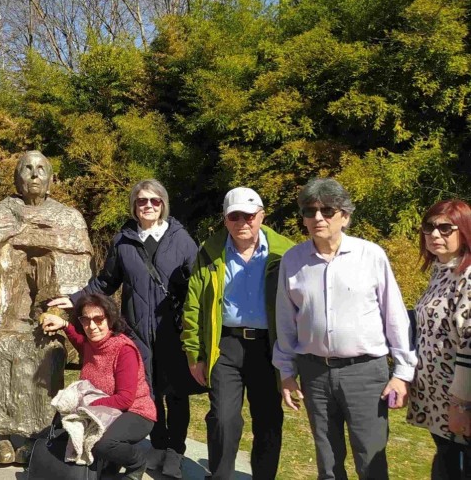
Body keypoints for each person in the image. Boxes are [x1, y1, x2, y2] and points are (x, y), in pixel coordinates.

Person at [49, 179, 197, 478]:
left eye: (155, 201)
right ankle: (155, 447)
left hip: (172, 332)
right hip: (137, 332)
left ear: (163, 204)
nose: (149, 206)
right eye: (142, 201)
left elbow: (196, 286)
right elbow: (105, 282)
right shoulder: (123, 240)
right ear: (134, 206)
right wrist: (74, 298)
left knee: (176, 394)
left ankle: (175, 452)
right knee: (147, 393)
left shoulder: (182, 240)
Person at [274, 178, 416, 480]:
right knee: (327, 461)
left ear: (345, 216)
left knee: (371, 459)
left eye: (327, 210)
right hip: (314, 373)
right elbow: (286, 322)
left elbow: (395, 316)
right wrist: (286, 374)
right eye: (309, 211)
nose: (318, 218)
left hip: (365, 374)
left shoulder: (370, 255)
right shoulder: (293, 260)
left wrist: (403, 373)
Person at [0, 150, 93, 465]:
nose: (34, 174)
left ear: (50, 180)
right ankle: (1, 435)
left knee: (44, 351)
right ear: (16, 178)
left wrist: (58, 309)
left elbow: (80, 270)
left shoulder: (68, 218)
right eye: (27, 168)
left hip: (50, 310)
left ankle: (37, 436)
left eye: (41, 169)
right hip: (5, 307)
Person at [181, 187, 294, 480]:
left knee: (268, 421)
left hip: (268, 348)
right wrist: (195, 354)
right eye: (235, 216)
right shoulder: (210, 252)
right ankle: (220, 476)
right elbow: (193, 306)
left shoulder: (287, 253)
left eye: (249, 215)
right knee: (223, 419)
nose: (242, 222)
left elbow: (301, 308)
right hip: (225, 346)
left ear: (262, 216)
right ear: (225, 219)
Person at [42, 293, 157, 480]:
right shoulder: (90, 345)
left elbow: (125, 399)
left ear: (110, 319)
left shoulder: (124, 350)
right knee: (64, 426)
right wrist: (64, 325)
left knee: (103, 444)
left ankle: (136, 462)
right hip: (104, 410)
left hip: (135, 411)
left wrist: (86, 407)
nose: (92, 326)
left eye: (98, 319)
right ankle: (108, 463)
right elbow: (79, 341)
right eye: (85, 320)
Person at [407, 199, 471, 479]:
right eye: (429, 227)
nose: (435, 235)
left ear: (465, 231)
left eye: (446, 228)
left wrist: (461, 406)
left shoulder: (467, 277)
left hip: (459, 404)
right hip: (438, 402)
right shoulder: (441, 272)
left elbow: (468, 346)